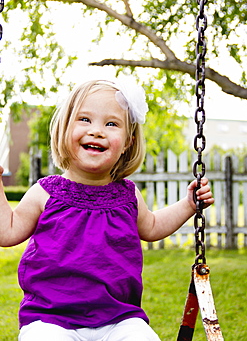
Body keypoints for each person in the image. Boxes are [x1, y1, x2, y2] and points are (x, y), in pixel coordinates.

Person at [0, 77, 214, 341]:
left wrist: (188, 205)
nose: (97, 131)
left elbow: (153, 226)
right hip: (50, 319)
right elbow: (7, 232)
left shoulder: (128, 195)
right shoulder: (45, 192)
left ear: (127, 143)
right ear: (64, 129)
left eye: (111, 124)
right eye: (85, 120)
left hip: (119, 318)